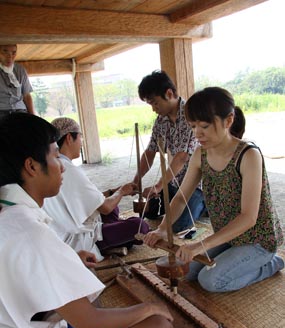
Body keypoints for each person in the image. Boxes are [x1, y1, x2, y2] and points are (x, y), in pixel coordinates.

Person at [0, 112, 174, 328]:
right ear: (31, 166)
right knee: (162, 325)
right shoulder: (28, 231)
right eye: (55, 157)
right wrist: (149, 306)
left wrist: (67, 259)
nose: (61, 167)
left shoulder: (8, 212)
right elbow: (91, 325)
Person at [143, 87, 284, 292]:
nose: (197, 133)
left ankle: (271, 263)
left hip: (257, 240)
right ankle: (238, 259)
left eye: (205, 126)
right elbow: (182, 198)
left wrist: (200, 246)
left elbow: (248, 217)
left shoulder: (248, 155)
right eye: (192, 126)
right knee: (187, 270)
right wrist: (163, 229)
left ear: (228, 121)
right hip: (229, 237)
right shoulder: (201, 154)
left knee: (211, 281)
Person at [43, 117, 150, 262]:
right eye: (80, 136)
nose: (82, 142)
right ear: (69, 138)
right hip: (78, 238)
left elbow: (89, 198)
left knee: (114, 209)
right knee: (140, 226)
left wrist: (113, 191)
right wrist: (122, 192)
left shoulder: (57, 164)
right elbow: (105, 207)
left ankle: (115, 236)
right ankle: (105, 244)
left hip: (73, 228)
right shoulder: (67, 168)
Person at [133, 70, 205, 234]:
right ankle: (179, 202)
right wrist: (137, 181)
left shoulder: (190, 114)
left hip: (195, 183)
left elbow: (181, 157)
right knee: (150, 211)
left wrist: (158, 186)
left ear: (169, 93)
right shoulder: (161, 121)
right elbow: (150, 152)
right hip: (173, 181)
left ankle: (205, 204)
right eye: (150, 104)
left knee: (179, 227)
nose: (153, 109)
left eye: (155, 103)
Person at [0, 44, 35, 120]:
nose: (10, 56)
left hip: (20, 111)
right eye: (5, 52)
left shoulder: (20, 70)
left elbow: (26, 95)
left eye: (13, 53)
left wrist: (33, 118)